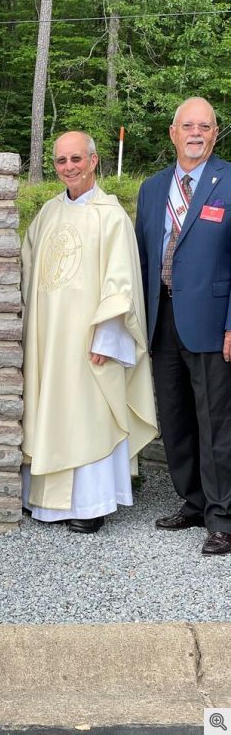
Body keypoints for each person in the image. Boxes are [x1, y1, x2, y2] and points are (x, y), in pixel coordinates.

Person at [21, 131, 157, 533]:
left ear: (94, 161)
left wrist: (109, 337)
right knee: (49, 408)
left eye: (76, 159)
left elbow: (123, 283)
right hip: (48, 336)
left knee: (87, 414)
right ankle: (42, 498)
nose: (68, 168)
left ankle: (89, 504)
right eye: (61, 161)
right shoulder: (47, 213)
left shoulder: (111, 215)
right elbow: (28, 268)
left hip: (88, 340)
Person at [136, 97, 231, 556]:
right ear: (172, 133)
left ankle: (222, 517)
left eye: (205, 126)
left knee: (215, 422)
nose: (195, 133)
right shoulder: (152, 189)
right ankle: (191, 502)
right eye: (187, 125)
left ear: (216, 133)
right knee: (174, 417)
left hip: (213, 321)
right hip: (163, 317)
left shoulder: (228, 181)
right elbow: (140, 258)